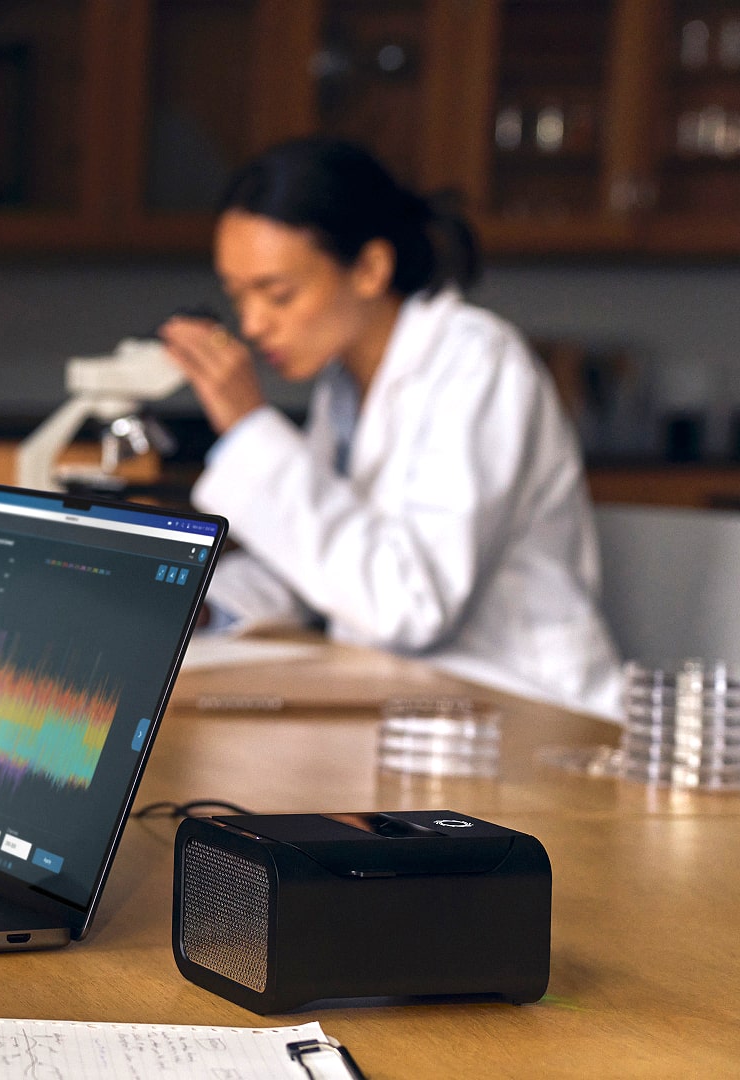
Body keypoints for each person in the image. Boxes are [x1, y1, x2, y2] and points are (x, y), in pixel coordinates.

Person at [160, 138, 620, 718]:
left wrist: (248, 425)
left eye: (277, 294)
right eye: (238, 296)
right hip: (415, 700)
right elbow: (313, 568)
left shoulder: (477, 362)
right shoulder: (344, 386)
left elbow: (410, 604)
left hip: (527, 708)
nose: (251, 325)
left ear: (371, 268)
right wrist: (196, 609)